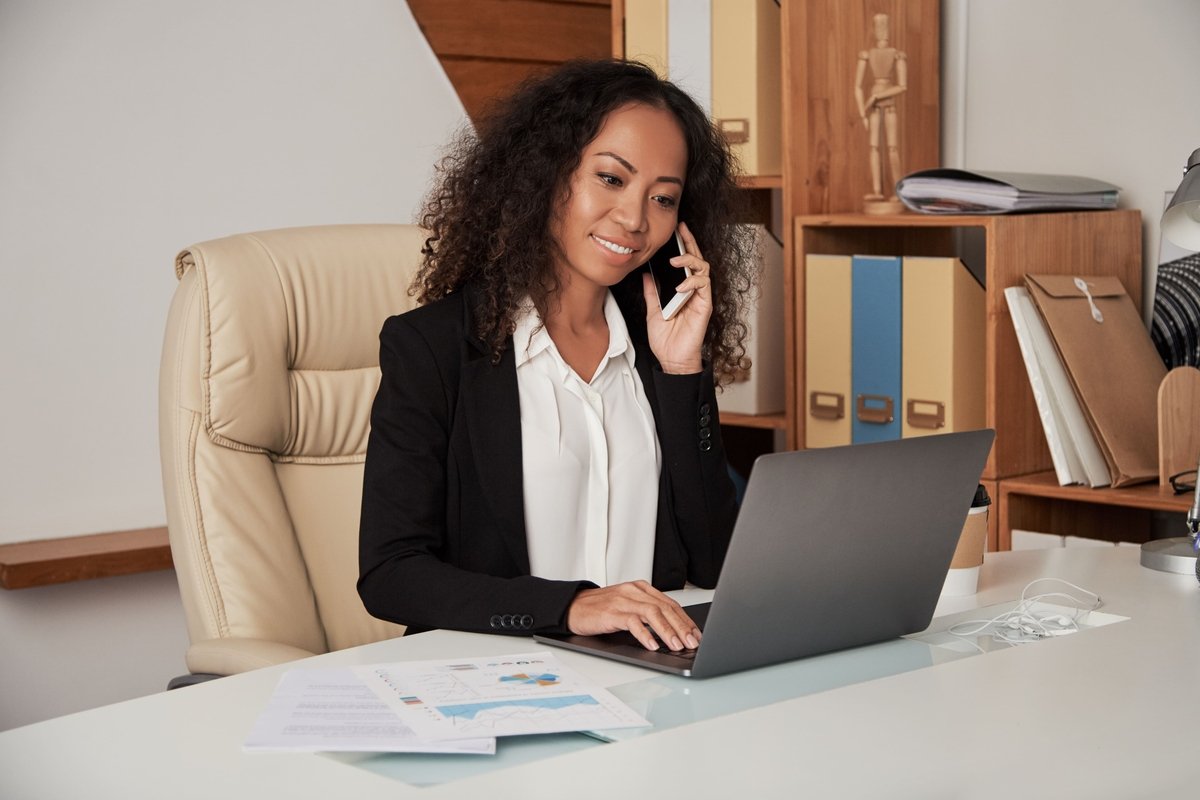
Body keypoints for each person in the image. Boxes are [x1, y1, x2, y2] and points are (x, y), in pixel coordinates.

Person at [358, 59, 754, 654]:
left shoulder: (656, 350)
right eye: (612, 179)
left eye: (664, 198)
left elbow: (715, 560)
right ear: (545, 173)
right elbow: (391, 575)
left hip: (646, 682)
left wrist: (681, 372)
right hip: (496, 681)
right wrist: (567, 606)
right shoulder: (435, 348)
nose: (635, 219)